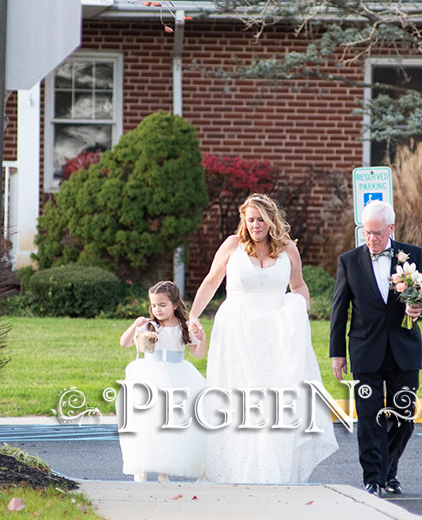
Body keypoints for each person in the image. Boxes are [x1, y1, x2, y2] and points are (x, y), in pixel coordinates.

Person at [188, 194, 337, 484]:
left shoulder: (288, 249)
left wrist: (302, 309)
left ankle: (271, 468)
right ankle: (235, 468)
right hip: (237, 331)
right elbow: (211, 280)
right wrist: (193, 316)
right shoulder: (233, 246)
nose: (255, 225)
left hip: (275, 333)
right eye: (250, 219)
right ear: (244, 220)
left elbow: (298, 285)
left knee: (272, 400)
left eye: (260, 219)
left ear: (271, 220)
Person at [329, 200, 422, 496]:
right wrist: (337, 353)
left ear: (391, 228)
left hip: (404, 350)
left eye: (377, 233)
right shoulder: (349, 261)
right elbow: (339, 310)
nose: (371, 239)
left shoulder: (411, 256)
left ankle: (389, 470)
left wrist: (420, 310)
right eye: (366, 232)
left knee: (404, 415)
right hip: (365, 350)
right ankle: (374, 477)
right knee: (369, 416)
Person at [118, 280, 208, 482]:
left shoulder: (184, 326)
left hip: (177, 376)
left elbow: (200, 354)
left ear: (175, 304)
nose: (157, 309)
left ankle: (163, 471)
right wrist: (136, 327)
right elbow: (125, 343)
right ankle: (141, 466)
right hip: (150, 375)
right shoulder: (150, 325)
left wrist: (201, 338)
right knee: (147, 421)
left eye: (162, 305)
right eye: (153, 305)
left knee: (169, 423)